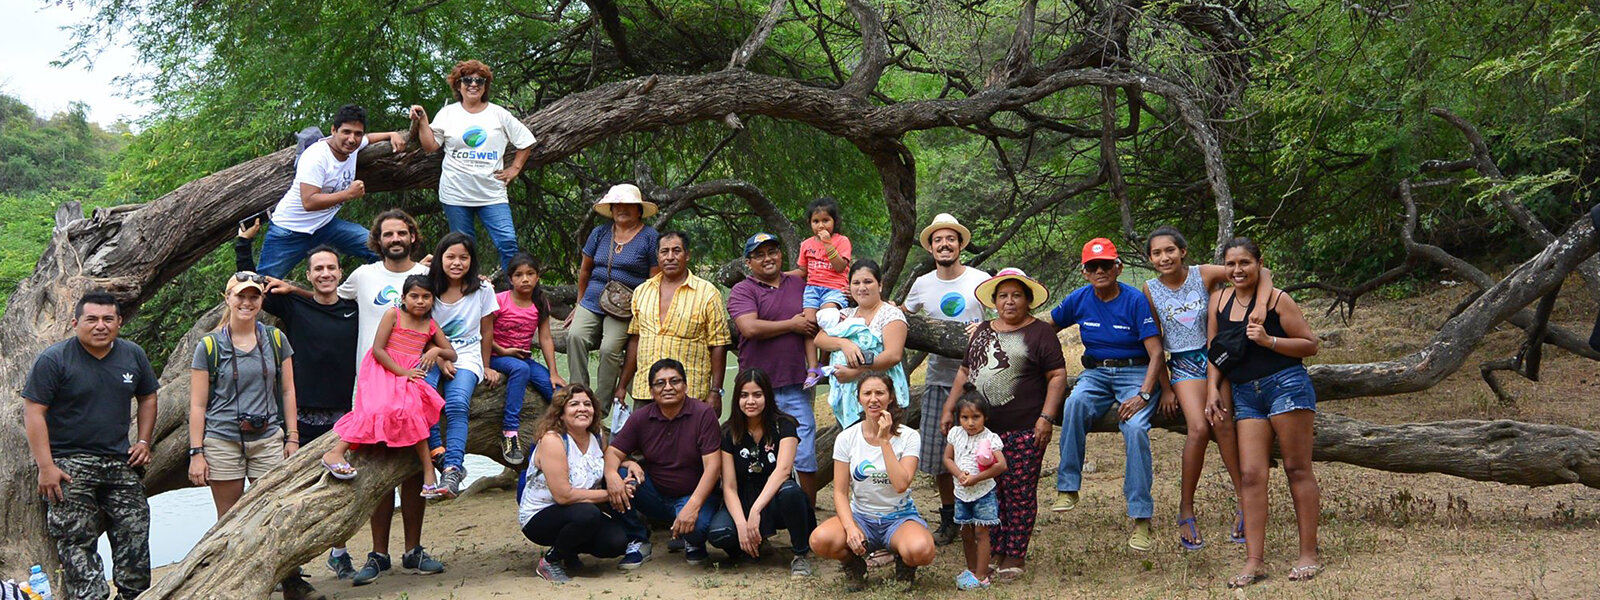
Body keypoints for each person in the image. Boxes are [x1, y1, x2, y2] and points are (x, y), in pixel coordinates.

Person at [184, 273, 316, 598]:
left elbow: (287, 391)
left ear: (261, 300)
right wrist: (196, 452)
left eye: (254, 296)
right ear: (227, 297)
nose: (247, 302)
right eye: (240, 296)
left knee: (278, 510)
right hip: (222, 439)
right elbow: (198, 404)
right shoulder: (209, 346)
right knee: (230, 518)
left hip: (268, 437)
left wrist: (293, 437)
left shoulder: (275, 340)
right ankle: (233, 581)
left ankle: (290, 579)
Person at [325, 209, 439, 585]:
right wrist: (292, 290)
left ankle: (414, 550)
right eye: (388, 233)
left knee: (409, 467)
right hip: (373, 382)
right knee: (378, 465)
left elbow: (456, 294)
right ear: (378, 239)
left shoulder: (425, 277)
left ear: (412, 236)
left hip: (415, 383)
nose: (395, 239)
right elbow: (326, 298)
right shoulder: (362, 275)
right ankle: (378, 553)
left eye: (401, 232)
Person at [22, 293, 157, 600]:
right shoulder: (54, 359)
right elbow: (34, 412)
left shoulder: (132, 355)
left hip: (119, 460)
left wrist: (144, 441)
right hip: (68, 463)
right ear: (76, 323)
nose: (100, 326)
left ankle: (133, 594)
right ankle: (90, 597)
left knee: (135, 529)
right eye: (91, 319)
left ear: (119, 322)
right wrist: (46, 467)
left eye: (108, 319)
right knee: (76, 538)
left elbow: (148, 395)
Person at [1142, 225, 1269, 550]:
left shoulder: (1203, 274)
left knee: (1224, 424)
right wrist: (1166, 388)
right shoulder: (1150, 289)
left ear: (1182, 251)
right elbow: (1155, 342)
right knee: (1198, 428)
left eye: (1169, 250)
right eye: (1156, 253)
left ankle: (1244, 500)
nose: (1164, 257)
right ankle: (1186, 507)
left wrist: (1261, 304)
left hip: (1217, 357)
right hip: (1183, 363)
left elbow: (1260, 271)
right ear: (1151, 259)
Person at [1205, 238, 1323, 588]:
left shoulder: (1277, 299)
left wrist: (1270, 340)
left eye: (1245, 263)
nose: (1238, 270)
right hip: (1244, 393)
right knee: (1252, 474)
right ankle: (1254, 560)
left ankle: (1308, 554)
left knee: (1296, 468)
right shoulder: (1219, 301)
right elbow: (1215, 350)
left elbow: (1310, 344)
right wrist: (1212, 387)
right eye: (1231, 264)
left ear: (1258, 264)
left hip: (1285, 384)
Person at [940, 268, 1067, 581]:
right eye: (1003, 296)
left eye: (1016, 295)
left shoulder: (1041, 333)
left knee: (1019, 492)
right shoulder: (983, 329)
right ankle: (994, 549)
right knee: (989, 491)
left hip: (1025, 428)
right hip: (982, 432)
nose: (1009, 302)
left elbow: (1057, 376)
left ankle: (1015, 554)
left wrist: (1046, 417)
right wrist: (948, 408)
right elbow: (964, 372)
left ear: (1028, 300)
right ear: (994, 301)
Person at [1049, 238, 1163, 552]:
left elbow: (1156, 354)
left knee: (1137, 428)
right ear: (1084, 272)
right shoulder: (1079, 298)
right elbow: (1046, 326)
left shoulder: (1135, 300)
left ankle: (1141, 518)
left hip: (1136, 372)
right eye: (1092, 266)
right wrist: (1000, 327)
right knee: (1073, 404)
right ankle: (1068, 487)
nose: (1100, 271)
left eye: (1106, 265)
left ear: (1118, 268)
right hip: (1096, 373)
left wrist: (1143, 395)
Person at [321, 274, 454, 496]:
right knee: (375, 408)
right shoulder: (393, 314)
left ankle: (429, 472)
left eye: (426, 297)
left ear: (433, 300)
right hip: (382, 368)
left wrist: (436, 350)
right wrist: (402, 372)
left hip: (410, 373)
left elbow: (452, 353)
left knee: (413, 410)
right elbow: (378, 349)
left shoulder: (430, 324)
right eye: (414, 296)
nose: (420, 301)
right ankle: (335, 452)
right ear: (403, 298)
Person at [901, 213, 989, 546]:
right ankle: (950, 518)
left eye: (950, 239)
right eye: (938, 240)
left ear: (960, 244)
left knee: (982, 449)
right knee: (940, 455)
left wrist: (982, 328)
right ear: (931, 247)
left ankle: (984, 515)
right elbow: (901, 316)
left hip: (980, 380)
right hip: (939, 378)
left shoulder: (980, 279)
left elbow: (1003, 317)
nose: (944, 244)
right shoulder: (922, 284)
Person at [410, 59, 536, 275]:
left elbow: (525, 141)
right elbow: (430, 146)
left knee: (507, 242)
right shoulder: (448, 113)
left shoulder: (499, 114)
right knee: (463, 248)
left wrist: (514, 169)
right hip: (456, 193)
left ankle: (513, 294)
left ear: (486, 85)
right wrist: (422, 121)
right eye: (467, 80)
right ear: (458, 85)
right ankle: (470, 290)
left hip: (491, 193)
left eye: (480, 80)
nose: (473, 84)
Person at [809, 374, 933, 590]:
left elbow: (901, 484)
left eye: (880, 393)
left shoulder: (909, 437)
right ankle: (854, 566)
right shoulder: (847, 438)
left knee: (921, 550)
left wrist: (884, 440)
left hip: (898, 517)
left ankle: (905, 564)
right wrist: (850, 528)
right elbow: (839, 492)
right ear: (859, 399)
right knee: (820, 540)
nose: (873, 399)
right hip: (861, 517)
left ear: (891, 397)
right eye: (867, 393)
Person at [257, 104, 410, 278]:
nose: (352, 139)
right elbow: (309, 201)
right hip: (290, 231)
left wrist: (391, 134)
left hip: (325, 226)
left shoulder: (352, 147)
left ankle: (382, 296)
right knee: (264, 283)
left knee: (380, 249)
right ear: (333, 130)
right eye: (346, 132)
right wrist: (348, 194)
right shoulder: (316, 157)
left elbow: (369, 138)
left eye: (357, 133)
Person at [726, 233, 821, 500]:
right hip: (755, 389)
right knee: (753, 452)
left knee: (804, 451)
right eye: (759, 254)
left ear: (781, 254)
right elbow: (749, 327)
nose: (767, 258)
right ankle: (757, 520)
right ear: (748, 262)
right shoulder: (743, 290)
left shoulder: (798, 283)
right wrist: (792, 324)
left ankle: (807, 517)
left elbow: (815, 318)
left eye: (772, 251)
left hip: (794, 384)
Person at [604, 359, 722, 569]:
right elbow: (612, 451)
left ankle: (692, 541)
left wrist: (692, 506)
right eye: (660, 383)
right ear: (651, 391)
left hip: (694, 494)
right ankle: (638, 540)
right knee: (617, 475)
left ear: (685, 386)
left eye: (674, 381)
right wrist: (614, 475)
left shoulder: (703, 414)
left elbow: (713, 467)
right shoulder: (641, 417)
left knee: (697, 529)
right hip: (655, 493)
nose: (668, 387)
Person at [517, 384, 633, 583]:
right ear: (561, 413)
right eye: (574, 404)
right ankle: (550, 561)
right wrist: (612, 493)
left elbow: (606, 460)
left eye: (588, 404)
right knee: (587, 514)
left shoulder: (597, 435)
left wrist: (629, 463)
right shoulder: (553, 440)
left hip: (578, 510)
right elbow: (563, 496)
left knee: (617, 542)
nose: (582, 408)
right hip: (541, 514)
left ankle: (567, 551)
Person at [707, 369, 817, 576]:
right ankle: (750, 544)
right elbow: (729, 486)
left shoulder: (784, 425)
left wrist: (756, 511)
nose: (751, 401)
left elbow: (783, 471)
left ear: (767, 395)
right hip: (743, 499)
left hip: (776, 498)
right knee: (720, 533)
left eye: (757, 394)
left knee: (790, 492)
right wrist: (741, 523)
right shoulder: (728, 432)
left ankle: (800, 555)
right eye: (744, 395)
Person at [567, 183, 660, 419]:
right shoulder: (600, 232)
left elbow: (654, 278)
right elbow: (585, 271)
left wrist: (644, 312)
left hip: (626, 306)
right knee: (575, 336)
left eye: (628, 205)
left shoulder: (650, 237)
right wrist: (578, 304)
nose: (622, 209)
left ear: (639, 210)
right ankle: (578, 396)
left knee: (610, 349)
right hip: (592, 299)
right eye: (617, 205)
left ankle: (599, 407)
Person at [424, 232, 501, 497]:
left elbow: (487, 330)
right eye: (451, 257)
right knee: (424, 397)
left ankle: (453, 468)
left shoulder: (482, 289)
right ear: (440, 258)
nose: (457, 263)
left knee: (457, 404)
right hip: (430, 353)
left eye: (463, 257)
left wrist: (487, 364)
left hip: (467, 355)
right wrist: (442, 357)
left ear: (472, 260)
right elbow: (418, 328)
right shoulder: (428, 287)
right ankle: (439, 455)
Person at [618, 231, 732, 408]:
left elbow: (719, 344)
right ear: (657, 256)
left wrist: (716, 391)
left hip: (690, 393)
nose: (670, 257)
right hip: (646, 392)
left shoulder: (707, 293)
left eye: (676, 251)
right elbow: (635, 339)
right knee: (645, 436)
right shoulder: (642, 291)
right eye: (664, 252)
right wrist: (622, 385)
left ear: (687, 255)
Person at [491, 252, 566, 464]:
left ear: (537, 277)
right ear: (510, 279)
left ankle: (559, 438)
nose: (525, 279)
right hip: (495, 356)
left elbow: (545, 338)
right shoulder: (499, 301)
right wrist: (504, 351)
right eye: (519, 275)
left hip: (523, 359)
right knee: (520, 369)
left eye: (530, 273)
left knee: (560, 394)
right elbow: (482, 334)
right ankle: (509, 433)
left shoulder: (540, 302)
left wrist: (553, 372)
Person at [815, 260, 909, 428]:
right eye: (856, 283)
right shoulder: (845, 315)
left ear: (879, 285)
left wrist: (856, 373)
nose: (862, 287)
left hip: (882, 396)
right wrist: (844, 344)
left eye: (868, 282)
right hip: (849, 398)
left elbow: (893, 355)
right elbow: (820, 339)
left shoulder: (890, 314)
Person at [941, 398, 1006, 591]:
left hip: (983, 493)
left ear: (985, 417)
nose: (970, 423)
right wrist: (959, 474)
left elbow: (1001, 465)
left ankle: (982, 575)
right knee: (966, 532)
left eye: (976, 417)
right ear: (958, 418)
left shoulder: (990, 439)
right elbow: (947, 458)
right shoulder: (955, 434)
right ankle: (971, 570)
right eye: (965, 417)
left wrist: (977, 478)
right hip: (961, 494)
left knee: (981, 533)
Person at [791, 197, 851, 362]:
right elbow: (803, 271)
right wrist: (781, 276)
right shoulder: (806, 244)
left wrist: (827, 243)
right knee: (809, 324)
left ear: (834, 221)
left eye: (826, 220)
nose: (821, 225)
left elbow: (840, 267)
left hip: (834, 289)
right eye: (816, 221)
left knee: (827, 317)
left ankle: (825, 359)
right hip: (812, 289)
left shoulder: (842, 241)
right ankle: (812, 366)